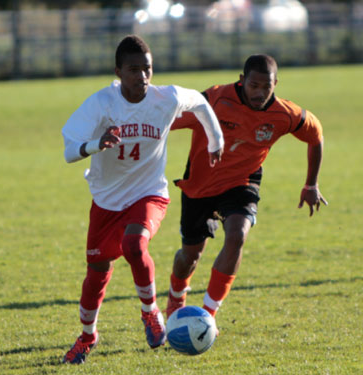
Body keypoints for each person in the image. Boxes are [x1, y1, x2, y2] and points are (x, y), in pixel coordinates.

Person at [61, 35, 224, 364]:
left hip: (149, 193)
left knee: (134, 245)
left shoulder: (167, 97)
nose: (142, 76)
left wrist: (215, 140)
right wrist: (96, 144)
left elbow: (200, 102)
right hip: (106, 200)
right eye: (133, 70)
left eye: (147, 69)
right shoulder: (101, 103)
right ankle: (88, 336)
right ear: (118, 71)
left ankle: (150, 313)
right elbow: (69, 150)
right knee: (96, 274)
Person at [166, 54, 327, 327]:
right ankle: (176, 297)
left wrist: (311, 184)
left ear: (276, 83)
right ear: (242, 81)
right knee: (189, 256)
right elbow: (167, 120)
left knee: (238, 235)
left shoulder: (284, 114)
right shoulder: (215, 99)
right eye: (254, 85)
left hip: (243, 182)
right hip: (200, 184)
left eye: (267, 87)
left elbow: (316, 135)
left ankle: (208, 315)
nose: (260, 92)